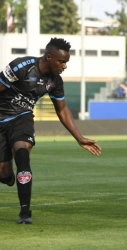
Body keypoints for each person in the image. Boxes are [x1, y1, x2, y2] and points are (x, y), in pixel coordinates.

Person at [0, 38, 101, 224]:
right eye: (62, 61)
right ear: (49, 57)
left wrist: (79, 138)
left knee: (22, 152)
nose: (64, 66)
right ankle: (7, 176)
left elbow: (62, 110)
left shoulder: (55, 81)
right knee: (4, 174)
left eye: (66, 62)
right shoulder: (20, 67)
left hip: (21, 119)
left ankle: (25, 213)